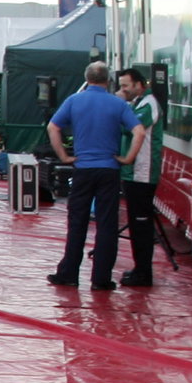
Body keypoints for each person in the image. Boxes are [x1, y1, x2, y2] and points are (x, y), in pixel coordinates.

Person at [46, 60, 143, 290]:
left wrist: (64, 156)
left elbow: (53, 127)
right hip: (109, 168)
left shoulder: (74, 100)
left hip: (83, 167)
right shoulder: (118, 104)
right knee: (107, 223)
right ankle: (101, 278)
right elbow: (139, 131)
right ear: (108, 80)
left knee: (77, 221)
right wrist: (128, 158)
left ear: (87, 78)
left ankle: (69, 273)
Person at [116, 66, 163, 287]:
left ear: (139, 85)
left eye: (126, 86)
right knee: (136, 223)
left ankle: (144, 273)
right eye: (121, 86)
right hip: (133, 172)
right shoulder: (136, 104)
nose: (123, 89)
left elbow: (131, 127)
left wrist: (118, 106)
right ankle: (140, 268)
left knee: (141, 224)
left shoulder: (149, 104)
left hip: (142, 173)